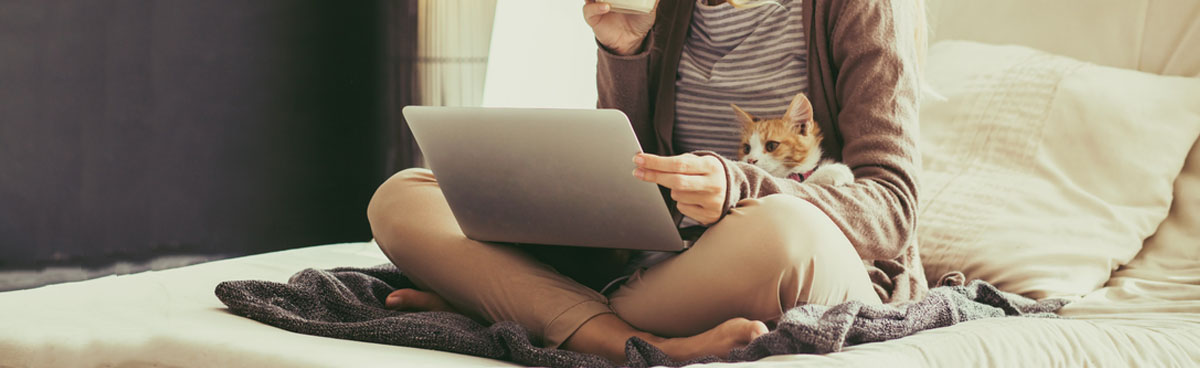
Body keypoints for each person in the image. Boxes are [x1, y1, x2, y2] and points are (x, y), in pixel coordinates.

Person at [366, 0, 927, 363]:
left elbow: (894, 206)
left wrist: (742, 186)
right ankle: (634, 343)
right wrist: (625, 46)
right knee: (404, 197)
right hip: (659, 269)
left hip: (800, 259)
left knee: (782, 229)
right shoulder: (667, 8)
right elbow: (628, 180)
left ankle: (504, 299)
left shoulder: (863, 7)